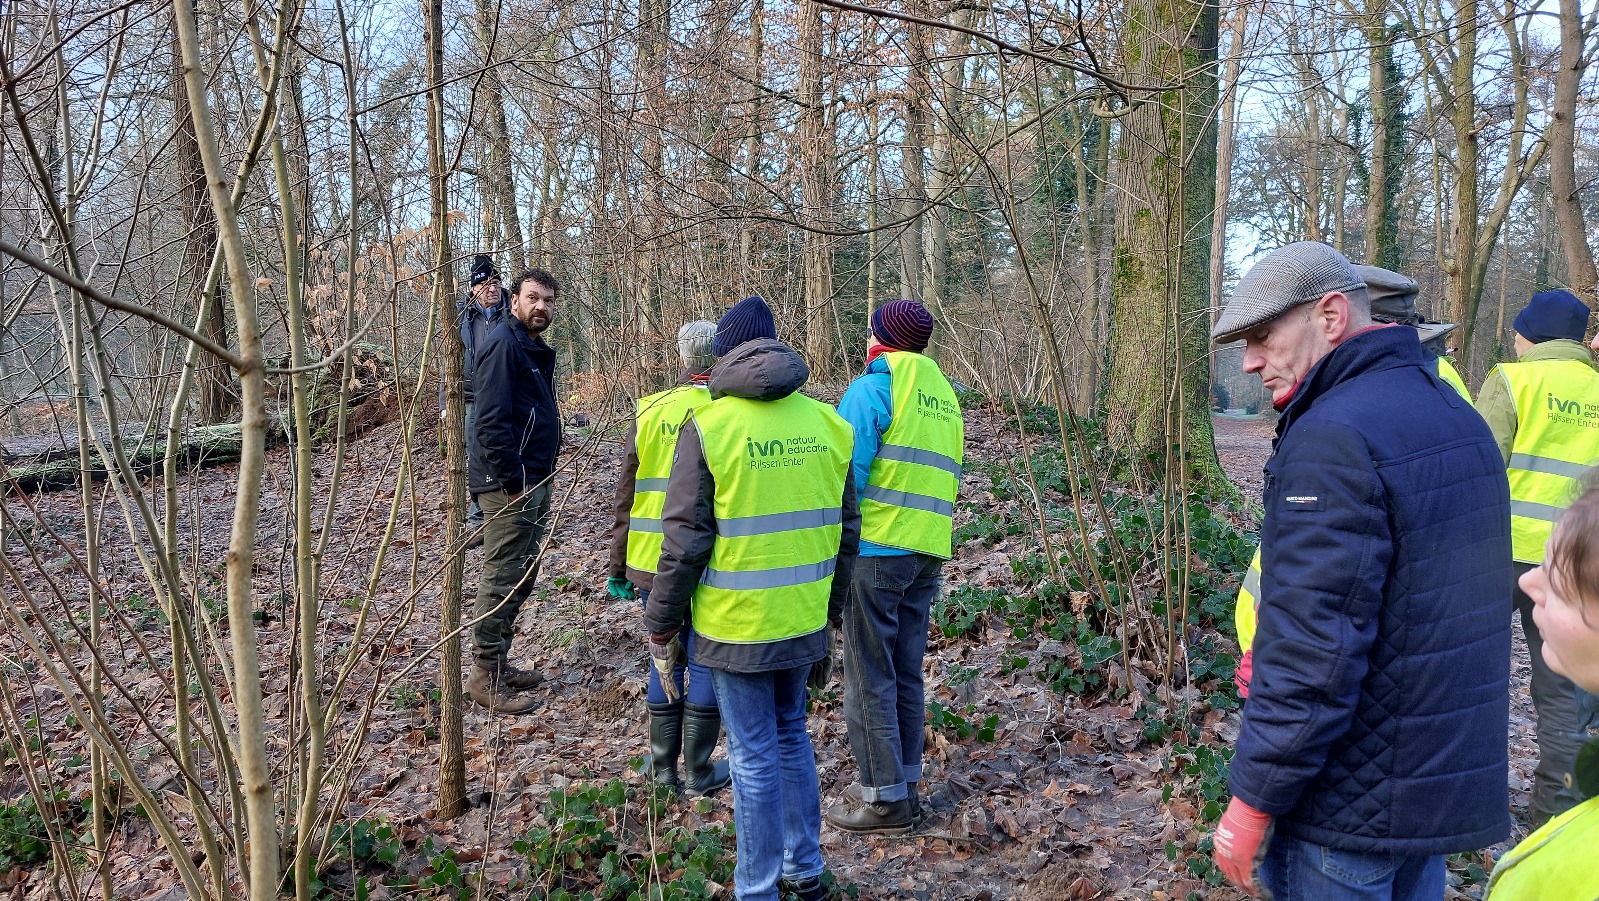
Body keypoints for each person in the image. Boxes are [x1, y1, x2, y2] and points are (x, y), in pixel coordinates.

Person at [1208, 241, 1512, 899]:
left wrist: (1252, 800)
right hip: (1424, 806)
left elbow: (1311, 650)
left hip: (1342, 812)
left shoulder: (1332, 436)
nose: (1250, 360)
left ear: (1331, 315)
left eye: (1262, 335)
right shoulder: (1455, 416)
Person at [643, 295, 859, 901]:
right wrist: (829, 611)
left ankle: (758, 888)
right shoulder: (829, 425)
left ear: (723, 356)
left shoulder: (709, 428)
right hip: (802, 620)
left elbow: (685, 543)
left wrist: (660, 622)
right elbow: (848, 535)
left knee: (754, 754)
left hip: (736, 626)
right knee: (792, 735)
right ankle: (804, 871)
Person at [1232, 265, 1472, 698]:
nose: (1250, 362)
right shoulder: (1442, 395)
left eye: (1265, 336)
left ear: (1339, 319)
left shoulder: (1342, 425)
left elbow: (1330, 601)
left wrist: (1277, 655)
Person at [824, 299, 963, 834]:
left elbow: (843, 480)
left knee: (867, 677)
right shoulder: (942, 396)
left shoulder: (873, 390)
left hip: (876, 553)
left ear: (879, 337)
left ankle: (885, 802)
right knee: (905, 673)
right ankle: (905, 784)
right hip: (926, 552)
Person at [1475, 288, 1599, 826]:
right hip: (1574, 563)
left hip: (1497, 554)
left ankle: (1466, 800)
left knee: (1470, 676)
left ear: (1531, 337)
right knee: (1564, 692)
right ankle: (1555, 812)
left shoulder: (1511, 379)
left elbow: (1477, 468)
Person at [607, 320, 730, 796]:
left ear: (682, 358)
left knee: (663, 657)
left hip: (649, 560)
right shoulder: (724, 411)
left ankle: (663, 772)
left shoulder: (650, 409)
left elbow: (627, 493)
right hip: (709, 557)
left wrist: (618, 563)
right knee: (701, 660)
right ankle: (699, 771)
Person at [1487, 475, 1599, 899]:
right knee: (1564, 701)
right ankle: (1551, 810)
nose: (1533, 585)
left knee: (1479, 677)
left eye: (1559, 579)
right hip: (1574, 532)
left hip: (1507, 543)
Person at [465, 268, 562, 714]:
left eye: (547, 300)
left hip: (532, 477)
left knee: (523, 573)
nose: (541, 306)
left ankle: (499, 662)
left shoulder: (532, 348)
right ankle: (483, 674)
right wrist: (514, 481)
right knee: (503, 574)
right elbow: (488, 423)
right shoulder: (503, 346)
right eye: (533, 298)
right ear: (514, 300)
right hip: (509, 485)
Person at [445, 254, 508, 547]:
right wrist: (446, 403)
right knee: (475, 455)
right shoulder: (461, 317)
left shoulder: (512, 313)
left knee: (509, 450)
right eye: (484, 283)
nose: (491, 288)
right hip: (472, 397)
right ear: (473, 288)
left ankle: (510, 513)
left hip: (507, 394)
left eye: (496, 282)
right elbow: (451, 362)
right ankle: (477, 518)